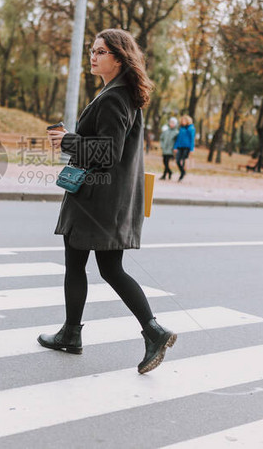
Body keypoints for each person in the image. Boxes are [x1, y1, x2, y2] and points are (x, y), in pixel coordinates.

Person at [41, 28, 177, 375]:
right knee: (89, 264)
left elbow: (109, 152)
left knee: (102, 267)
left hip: (97, 199)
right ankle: (73, 333)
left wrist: (68, 141)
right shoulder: (117, 92)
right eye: (92, 49)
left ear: (119, 57)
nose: (93, 55)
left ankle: (153, 330)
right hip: (101, 197)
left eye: (101, 51)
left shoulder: (115, 97)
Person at [172, 114, 195, 181]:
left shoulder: (191, 128)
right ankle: (183, 172)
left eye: (184, 120)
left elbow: (192, 139)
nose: (183, 121)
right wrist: (175, 147)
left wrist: (192, 149)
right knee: (177, 160)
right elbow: (178, 138)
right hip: (180, 147)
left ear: (188, 121)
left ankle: (182, 175)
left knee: (184, 160)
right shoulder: (181, 128)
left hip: (187, 148)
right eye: (182, 120)